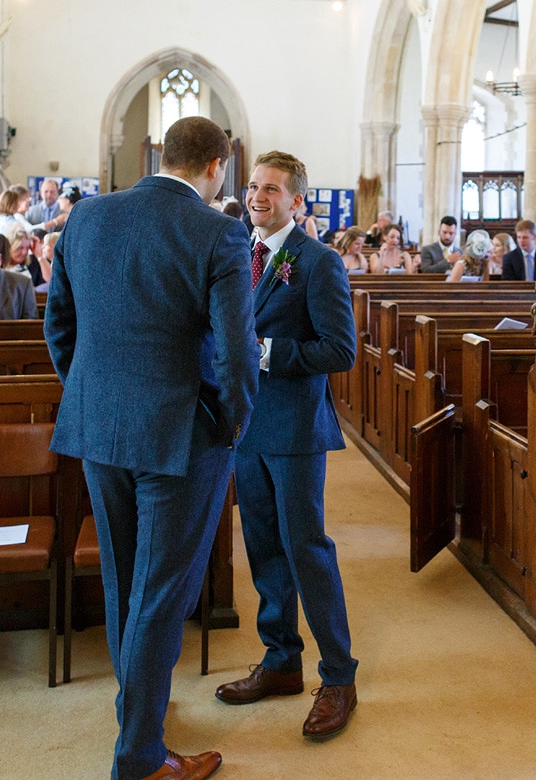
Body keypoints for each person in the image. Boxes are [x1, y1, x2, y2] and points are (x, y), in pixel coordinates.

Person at [45, 116, 257, 780]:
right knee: (161, 593)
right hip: (179, 437)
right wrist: (231, 426)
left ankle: (138, 714)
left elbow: (60, 326)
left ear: (163, 156)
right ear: (217, 166)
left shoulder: (86, 217)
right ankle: (138, 755)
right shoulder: (220, 230)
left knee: (125, 581)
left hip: (99, 430)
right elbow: (237, 353)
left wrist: (91, 395)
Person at [214, 150, 360, 743]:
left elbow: (340, 350)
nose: (257, 197)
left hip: (296, 431)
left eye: (271, 190)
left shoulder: (318, 263)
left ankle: (339, 676)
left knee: (307, 550)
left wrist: (268, 352)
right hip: (248, 429)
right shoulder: (236, 255)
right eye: (252, 187)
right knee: (265, 549)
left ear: (298, 201)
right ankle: (280, 662)